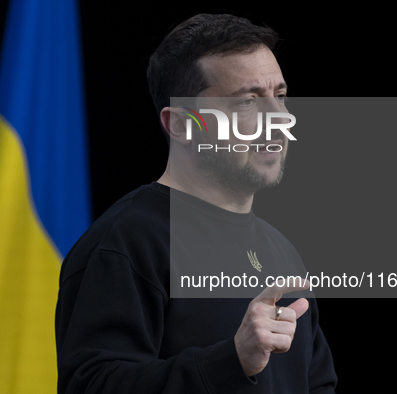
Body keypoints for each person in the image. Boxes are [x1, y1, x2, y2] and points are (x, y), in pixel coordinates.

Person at [55, 13, 338, 393]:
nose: (279, 119)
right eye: (247, 103)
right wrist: (232, 360)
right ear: (182, 126)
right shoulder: (125, 244)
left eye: (280, 96)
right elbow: (91, 386)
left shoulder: (282, 252)